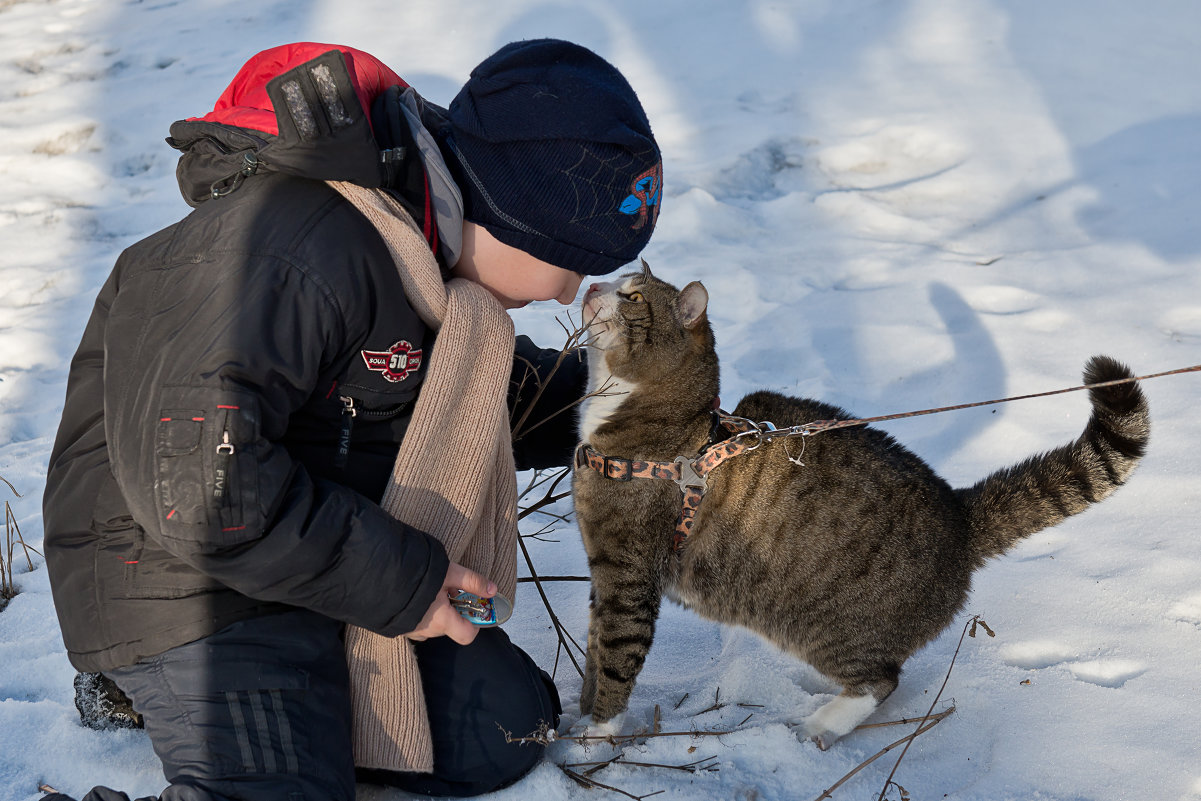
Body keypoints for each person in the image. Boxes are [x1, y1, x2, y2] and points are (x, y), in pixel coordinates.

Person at [42, 38, 662, 800]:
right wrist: (406, 581)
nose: (571, 293)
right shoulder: (293, 248)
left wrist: (655, 418)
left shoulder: (420, 252)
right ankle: (143, 683)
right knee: (286, 788)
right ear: (511, 209)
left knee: (501, 730)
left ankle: (300, 699)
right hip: (179, 579)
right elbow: (205, 492)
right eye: (571, 258)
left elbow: (487, 395)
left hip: (303, 561)